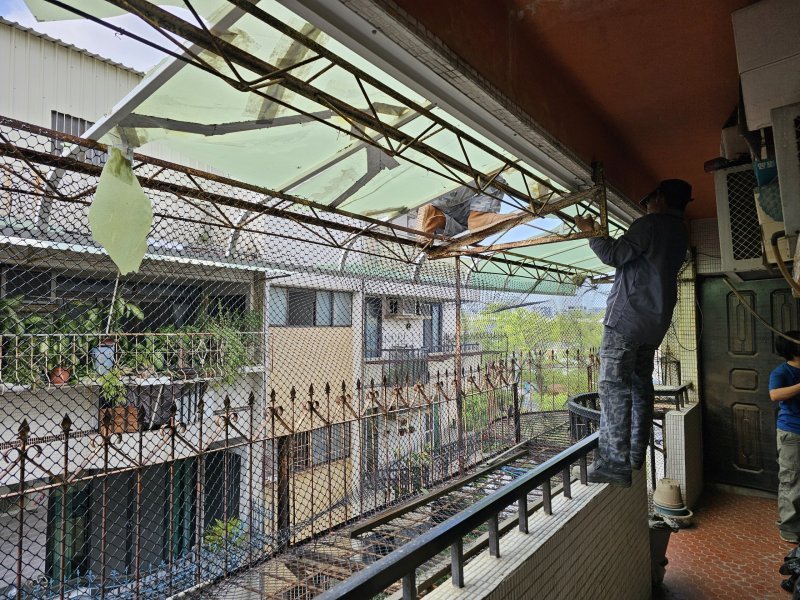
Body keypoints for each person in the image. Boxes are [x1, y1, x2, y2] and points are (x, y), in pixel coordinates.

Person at [574, 179, 691, 487]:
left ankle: (613, 462)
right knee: (640, 386)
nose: (646, 204)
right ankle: (636, 453)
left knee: (613, 387)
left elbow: (614, 255)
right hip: (654, 325)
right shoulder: (681, 232)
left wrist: (591, 232)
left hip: (627, 320)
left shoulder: (650, 224)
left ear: (661, 199)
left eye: (649, 198)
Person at [416, 175, 520, 237]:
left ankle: (435, 217)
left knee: (470, 231)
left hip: (446, 208)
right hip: (437, 197)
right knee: (493, 176)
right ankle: (481, 215)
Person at [770, 331, 800, 543]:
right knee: (791, 481)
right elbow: (775, 395)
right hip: (792, 432)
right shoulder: (781, 372)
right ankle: (789, 528)